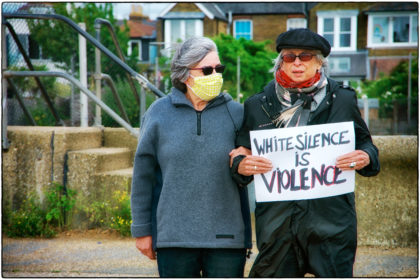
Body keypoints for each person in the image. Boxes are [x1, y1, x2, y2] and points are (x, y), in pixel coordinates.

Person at [230, 28, 380, 277]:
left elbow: (367, 146)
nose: (297, 63)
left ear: (320, 62)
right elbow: (242, 150)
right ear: (281, 61)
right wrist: (240, 164)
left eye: (306, 56)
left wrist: (365, 157)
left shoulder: (342, 99)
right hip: (279, 227)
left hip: (331, 225)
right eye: (289, 57)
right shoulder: (257, 104)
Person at [130, 36, 252, 278]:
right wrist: (142, 230)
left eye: (219, 69)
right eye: (207, 70)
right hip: (173, 239)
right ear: (185, 74)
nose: (215, 75)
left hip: (226, 241)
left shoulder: (238, 114)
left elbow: (250, 174)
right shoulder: (158, 113)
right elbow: (143, 175)